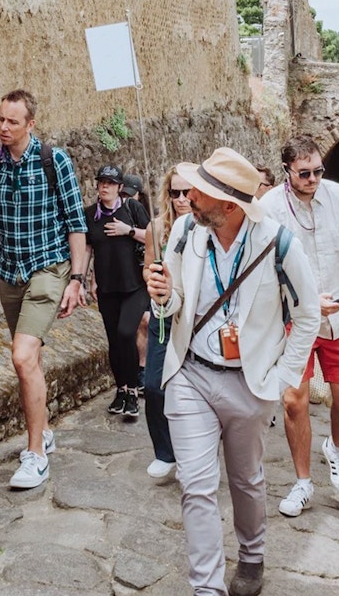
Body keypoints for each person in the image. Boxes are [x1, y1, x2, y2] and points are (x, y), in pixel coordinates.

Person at [145, 147, 320, 596]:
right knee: (196, 485)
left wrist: (282, 380)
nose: (188, 199)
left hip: (251, 382)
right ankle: (207, 587)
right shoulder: (185, 232)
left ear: (229, 205)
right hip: (192, 375)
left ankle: (252, 556)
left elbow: (308, 316)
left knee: (246, 480)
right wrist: (162, 296)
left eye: (198, 192)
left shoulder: (279, 243)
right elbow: (174, 306)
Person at [258, 137, 339, 517]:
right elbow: (262, 266)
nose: (312, 179)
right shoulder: (268, 208)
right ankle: (302, 482)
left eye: (317, 171)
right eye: (304, 173)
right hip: (294, 317)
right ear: (287, 172)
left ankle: (336, 447)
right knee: (294, 401)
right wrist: (309, 304)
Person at [0, 89, 89, 490]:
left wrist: (77, 279)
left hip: (48, 268)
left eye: (12, 121)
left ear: (30, 124)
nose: (3, 128)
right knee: (31, 362)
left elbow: (76, 222)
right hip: (10, 273)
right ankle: (43, 429)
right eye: (0, 120)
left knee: (22, 357)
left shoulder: (54, 161)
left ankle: (35, 454)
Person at [84, 165, 150, 417]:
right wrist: (89, 278)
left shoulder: (132, 209)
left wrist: (129, 230)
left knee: (125, 333)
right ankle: (121, 389)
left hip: (134, 285)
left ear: (120, 187)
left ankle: (132, 391)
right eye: (102, 182)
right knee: (113, 340)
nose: (105, 187)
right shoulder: (91, 214)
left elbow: (155, 237)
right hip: (107, 287)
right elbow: (89, 248)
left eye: (111, 183)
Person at [140, 167, 191, 478]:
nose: (182, 199)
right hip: (162, 313)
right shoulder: (157, 228)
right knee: (153, 384)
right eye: (176, 193)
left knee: (192, 390)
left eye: (187, 192)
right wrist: (154, 276)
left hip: (194, 317)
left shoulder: (205, 227)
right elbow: (146, 267)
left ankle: (191, 455)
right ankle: (165, 451)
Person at [122, 173, 150, 394]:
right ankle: (141, 368)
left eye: (130, 194)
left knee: (146, 320)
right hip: (130, 273)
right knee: (142, 321)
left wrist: (128, 231)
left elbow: (150, 236)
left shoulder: (136, 207)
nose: (127, 198)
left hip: (144, 270)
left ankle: (143, 368)